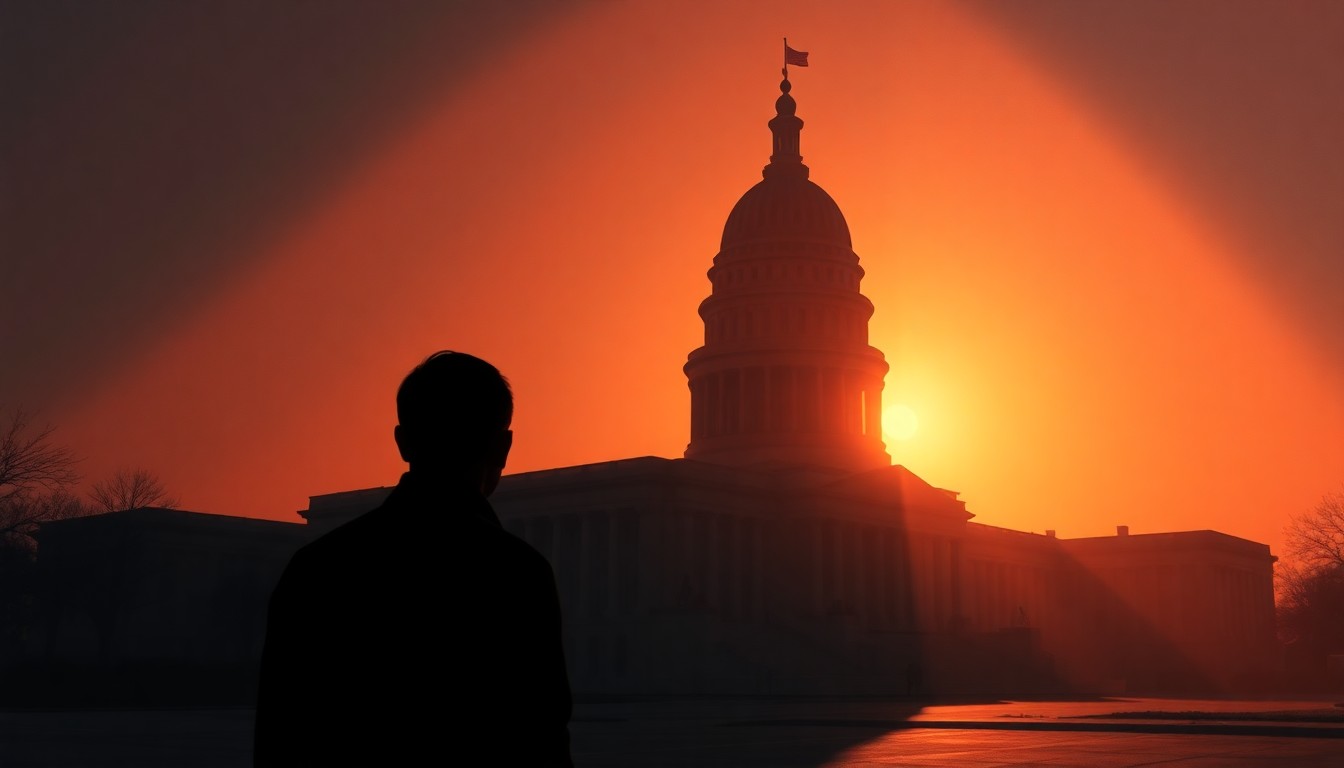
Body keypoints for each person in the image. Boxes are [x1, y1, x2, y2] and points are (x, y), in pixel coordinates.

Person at [255, 351, 573, 767]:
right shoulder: (517, 574)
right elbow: (539, 741)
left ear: (403, 442)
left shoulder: (316, 568)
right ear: (503, 446)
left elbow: (280, 737)